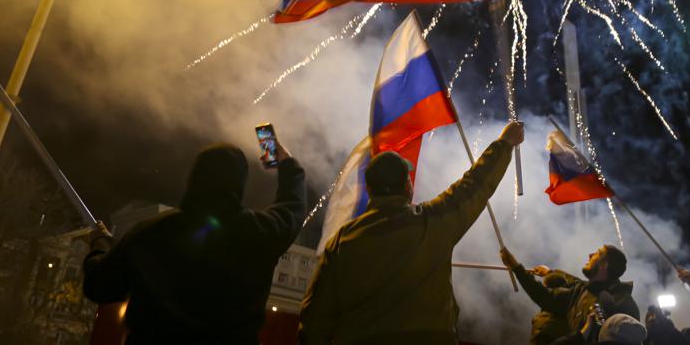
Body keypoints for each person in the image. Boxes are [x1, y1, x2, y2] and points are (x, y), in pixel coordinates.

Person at [298, 121, 524, 344]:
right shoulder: (430, 222)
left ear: (369, 190)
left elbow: (314, 319)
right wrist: (505, 143)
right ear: (407, 185)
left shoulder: (341, 241)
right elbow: (473, 186)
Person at [82, 138, 306, 344]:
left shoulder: (150, 233)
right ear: (240, 183)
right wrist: (287, 165)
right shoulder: (260, 232)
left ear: (194, 177)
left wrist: (101, 243)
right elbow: (293, 206)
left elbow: (99, 286)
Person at [500, 243, 640, 343]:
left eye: (598, 253)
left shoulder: (623, 302)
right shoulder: (580, 292)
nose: (590, 254)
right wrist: (516, 267)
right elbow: (544, 296)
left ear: (605, 264)